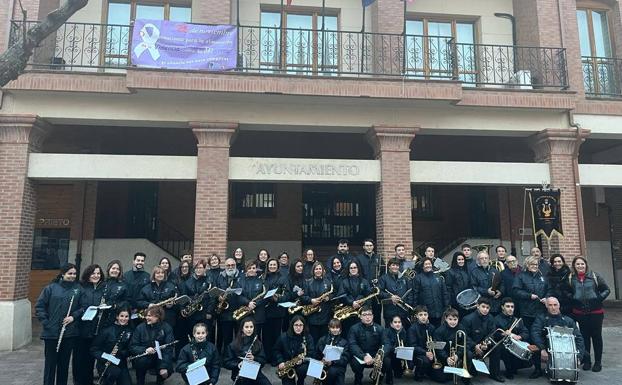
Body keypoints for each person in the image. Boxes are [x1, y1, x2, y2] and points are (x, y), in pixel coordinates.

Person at [35, 263, 82, 385]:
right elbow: (40, 306)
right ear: (63, 274)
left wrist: (73, 316)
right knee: (50, 365)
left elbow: (84, 307)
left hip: (69, 332)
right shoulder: (50, 288)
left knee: (64, 365)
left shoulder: (78, 289)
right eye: (70, 273)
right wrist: (46, 322)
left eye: (74, 274)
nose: (72, 276)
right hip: (51, 333)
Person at [567, 256, 610, 372]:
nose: (580, 266)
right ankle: (587, 361)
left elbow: (606, 289)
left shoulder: (594, 276)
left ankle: (598, 362)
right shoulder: (571, 278)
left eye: (582, 264)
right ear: (574, 266)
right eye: (577, 264)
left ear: (586, 265)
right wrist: (573, 298)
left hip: (596, 312)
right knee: (584, 337)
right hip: (580, 313)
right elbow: (567, 291)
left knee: (596, 337)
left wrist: (598, 298)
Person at [529, 297, 585, 379]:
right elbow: (535, 333)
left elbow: (579, 338)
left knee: (585, 355)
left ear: (559, 305)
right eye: (550, 305)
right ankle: (538, 370)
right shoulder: (541, 318)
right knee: (533, 348)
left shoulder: (568, 321)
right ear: (546, 306)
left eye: (555, 305)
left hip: (565, 348)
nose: (553, 307)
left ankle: (569, 366)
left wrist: (579, 357)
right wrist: (542, 349)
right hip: (547, 346)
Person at [74, 263, 106, 385]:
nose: (96, 275)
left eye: (98, 273)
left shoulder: (103, 288)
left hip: (95, 329)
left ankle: (88, 380)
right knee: (79, 357)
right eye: (93, 273)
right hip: (81, 328)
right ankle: (78, 381)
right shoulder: (80, 287)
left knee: (90, 357)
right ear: (88, 274)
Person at [129, 305, 175, 385]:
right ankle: (140, 382)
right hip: (145, 357)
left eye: (150, 316)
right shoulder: (140, 328)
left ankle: (160, 381)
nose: (147, 317)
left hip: (160, 358)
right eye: (146, 315)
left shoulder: (167, 328)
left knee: (168, 369)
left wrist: (163, 367)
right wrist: (145, 350)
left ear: (158, 316)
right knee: (140, 362)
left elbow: (168, 349)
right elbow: (132, 346)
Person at [90, 306, 133, 385]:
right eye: (121, 316)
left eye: (126, 316)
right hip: (105, 363)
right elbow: (94, 349)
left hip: (120, 363)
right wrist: (106, 356)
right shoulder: (106, 331)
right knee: (113, 373)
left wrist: (122, 352)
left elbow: (130, 349)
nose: (124, 319)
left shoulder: (129, 331)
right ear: (117, 316)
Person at [461, 298, 501, 381]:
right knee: (469, 356)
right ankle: (465, 379)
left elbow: (491, 333)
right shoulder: (467, 319)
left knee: (497, 348)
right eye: (483, 307)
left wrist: (485, 344)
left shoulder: (490, 318)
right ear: (477, 306)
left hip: (483, 344)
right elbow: (465, 337)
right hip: (470, 345)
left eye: (487, 308)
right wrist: (475, 346)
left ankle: (494, 374)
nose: (485, 309)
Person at [223, 317, 272, 385]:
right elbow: (226, 362)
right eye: (246, 327)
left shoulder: (258, 343)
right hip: (239, 374)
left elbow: (263, 361)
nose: (249, 329)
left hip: (255, 373)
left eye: (251, 327)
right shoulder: (233, 345)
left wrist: (254, 358)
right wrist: (238, 364)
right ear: (242, 329)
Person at [490, 298, 530, 381]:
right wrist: (503, 334)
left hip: (513, 343)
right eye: (507, 306)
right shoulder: (496, 319)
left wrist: (520, 337)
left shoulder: (517, 320)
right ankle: (502, 372)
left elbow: (525, 332)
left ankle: (513, 368)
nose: (510, 308)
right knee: (503, 350)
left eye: (512, 307)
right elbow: (493, 334)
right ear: (502, 307)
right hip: (500, 344)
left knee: (529, 360)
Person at [348, 306, 386, 385]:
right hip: (361, 355)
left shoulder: (380, 328)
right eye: (364, 315)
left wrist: (379, 356)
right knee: (355, 363)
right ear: (360, 316)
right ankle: (358, 378)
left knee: (387, 360)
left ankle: (376, 376)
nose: (367, 317)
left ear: (373, 316)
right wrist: (364, 356)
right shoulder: (354, 328)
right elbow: (352, 345)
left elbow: (386, 343)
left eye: (369, 314)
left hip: (376, 356)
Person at [274, 315, 315, 385]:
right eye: (296, 325)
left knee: (302, 370)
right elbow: (276, 350)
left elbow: (311, 353)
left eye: (301, 325)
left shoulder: (308, 337)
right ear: (292, 325)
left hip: (301, 364)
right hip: (286, 363)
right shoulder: (283, 337)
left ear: (304, 326)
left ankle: (301, 380)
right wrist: (280, 361)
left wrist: (303, 360)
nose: (298, 328)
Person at [433, 307, 470, 384]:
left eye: (455, 319)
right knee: (442, 378)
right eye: (450, 319)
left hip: (456, 355)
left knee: (469, 354)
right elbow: (438, 349)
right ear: (446, 319)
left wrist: (457, 355)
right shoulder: (439, 331)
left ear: (458, 319)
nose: (453, 322)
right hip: (444, 357)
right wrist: (446, 358)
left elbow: (466, 343)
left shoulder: (461, 328)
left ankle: (466, 379)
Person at [216, 257, 244, 354]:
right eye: (228, 265)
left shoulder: (241, 276)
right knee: (226, 338)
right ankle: (227, 357)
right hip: (224, 313)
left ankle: (237, 355)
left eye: (233, 265)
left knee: (238, 337)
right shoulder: (220, 277)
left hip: (238, 312)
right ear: (225, 266)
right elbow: (216, 290)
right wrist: (219, 297)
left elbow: (243, 291)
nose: (230, 267)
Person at [407, 306, 443, 382]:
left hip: (430, 353)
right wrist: (425, 352)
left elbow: (435, 342)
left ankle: (428, 371)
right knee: (425, 361)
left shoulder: (432, 327)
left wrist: (433, 352)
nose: (423, 317)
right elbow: (412, 346)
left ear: (428, 315)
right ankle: (418, 374)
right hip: (418, 354)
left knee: (440, 377)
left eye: (425, 314)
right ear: (416, 316)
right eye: (420, 315)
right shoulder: (412, 329)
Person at [301, 262, 334, 343]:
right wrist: (311, 300)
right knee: (313, 340)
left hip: (325, 316)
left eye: (320, 269)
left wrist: (329, 298)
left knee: (324, 340)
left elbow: (333, 295)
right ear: (313, 270)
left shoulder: (328, 282)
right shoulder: (308, 282)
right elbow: (303, 297)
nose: (318, 270)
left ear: (323, 270)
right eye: (316, 269)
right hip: (312, 316)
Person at [263, 258, 288, 365]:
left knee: (276, 336)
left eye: (274, 265)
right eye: (270, 265)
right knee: (266, 336)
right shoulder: (263, 278)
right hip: (265, 311)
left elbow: (287, 294)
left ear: (277, 266)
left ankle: (275, 359)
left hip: (278, 311)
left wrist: (278, 298)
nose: (272, 266)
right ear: (267, 266)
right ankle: (267, 357)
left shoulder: (282, 278)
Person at [512, 255, 548, 330]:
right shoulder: (521, 276)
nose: (535, 266)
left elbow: (549, 289)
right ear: (527, 265)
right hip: (527, 311)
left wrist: (546, 298)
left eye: (536, 264)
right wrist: (529, 295)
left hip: (541, 310)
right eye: (532, 264)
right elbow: (516, 291)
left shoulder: (542, 277)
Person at [337, 260, 372, 334]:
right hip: (348, 313)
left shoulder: (364, 281)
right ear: (348, 270)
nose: (353, 269)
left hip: (361, 313)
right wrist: (352, 302)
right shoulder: (344, 282)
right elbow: (341, 296)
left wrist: (362, 305)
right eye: (351, 268)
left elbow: (369, 296)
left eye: (355, 267)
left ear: (358, 268)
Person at [412, 258, 449, 327]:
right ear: (422, 266)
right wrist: (415, 308)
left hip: (438, 309)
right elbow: (415, 294)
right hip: (425, 311)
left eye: (429, 264)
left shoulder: (438, 277)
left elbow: (444, 292)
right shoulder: (418, 278)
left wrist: (446, 306)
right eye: (426, 264)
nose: (428, 265)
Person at [183, 259, 214, 340]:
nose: (198, 270)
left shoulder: (209, 281)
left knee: (206, 336)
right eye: (196, 268)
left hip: (205, 313)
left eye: (200, 268)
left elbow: (213, 298)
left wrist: (209, 312)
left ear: (204, 269)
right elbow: (185, 296)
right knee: (192, 335)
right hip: (192, 313)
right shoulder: (188, 282)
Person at [378, 258, 412, 330]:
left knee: (404, 332)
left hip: (403, 311)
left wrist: (407, 304)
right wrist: (390, 297)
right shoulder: (383, 278)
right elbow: (379, 292)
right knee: (390, 333)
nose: (395, 267)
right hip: (390, 311)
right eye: (393, 265)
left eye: (397, 265)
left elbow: (410, 291)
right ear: (389, 266)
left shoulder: (404, 278)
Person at [356, 239, 383, 324]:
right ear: (364, 247)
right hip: (365, 290)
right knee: (365, 314)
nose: (369, 247)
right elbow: (358, 273)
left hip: (376, 291)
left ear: (373, 246)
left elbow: (383, 272)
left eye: (370, 245)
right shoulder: (359, 258)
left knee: (376, 313)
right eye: (367, 245)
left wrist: (378, 280)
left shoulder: (379, 258)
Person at [315, 318, 350, 385]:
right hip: (323, 366)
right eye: (333, 328)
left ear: (340, 329)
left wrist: (332, 362)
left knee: (333, 372)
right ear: (329, 328)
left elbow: (345, 359)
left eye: (337, 327)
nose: (335, 330)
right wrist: (320, 360)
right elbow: (316, 354)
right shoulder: (322, 340)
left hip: (338, 367)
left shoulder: (344, 342)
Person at [239, 261, 267, 339]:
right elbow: (238, 296)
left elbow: (264, 296)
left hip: (258, 314)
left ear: (256, 270)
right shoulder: (240, 281)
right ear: (246, 269)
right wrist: (248, 303)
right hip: (245, 313)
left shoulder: (261, 281)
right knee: (243, 338)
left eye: (253, 268)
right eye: (249, 268)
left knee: (257, 338)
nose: (251, 270)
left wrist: (254, 304)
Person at [383, 315, 413, 385]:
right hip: (391, 354)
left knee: (401, 372)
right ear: (391, 324)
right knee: (388, 362)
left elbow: (407, 344)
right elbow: (387, 345)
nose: (397, 324)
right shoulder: (386, 332)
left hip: (400, 355)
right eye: (395, 322)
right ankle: (389, 376)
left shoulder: (404, 332)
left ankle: (400, 369)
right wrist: (395, 348)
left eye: (399, 322)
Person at [101, 260, 130, 328]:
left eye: (117, 269)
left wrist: (115, 305)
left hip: (115, 316)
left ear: (120, 271)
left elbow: (127, 301)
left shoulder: (123, 285)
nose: (115, 270)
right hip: (100, 315)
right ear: (109, 269)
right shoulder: (102, 283)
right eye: (113, 268)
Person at [445, 252, 472, 318]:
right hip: (456, 301)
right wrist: (449, 302)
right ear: (455, 260)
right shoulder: (450, 272)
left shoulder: (466, 271)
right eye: (459, 260)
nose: (461, 261)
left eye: (462, 259)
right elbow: (448, 288)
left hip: (467, 301)